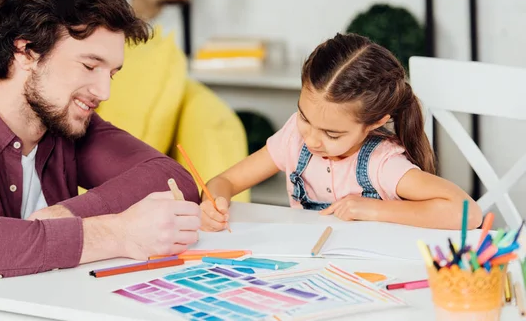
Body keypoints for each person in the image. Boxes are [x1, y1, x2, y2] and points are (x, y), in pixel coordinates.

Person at [0, 0, 201, 321]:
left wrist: (68, 215)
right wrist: (112, 232)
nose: (104, 92)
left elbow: (174, 178)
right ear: (25, 51)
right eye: (90, 66)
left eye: (111, 73)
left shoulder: (64, 123)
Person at [201, 33, 482, 231]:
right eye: (303, 116)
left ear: (374, 123)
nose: (311, 139)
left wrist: (372, 210)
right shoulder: (293, 139)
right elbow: (225, 180)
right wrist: (215, 203)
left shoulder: (381, 163)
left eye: (332, 135)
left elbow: (468, 212)